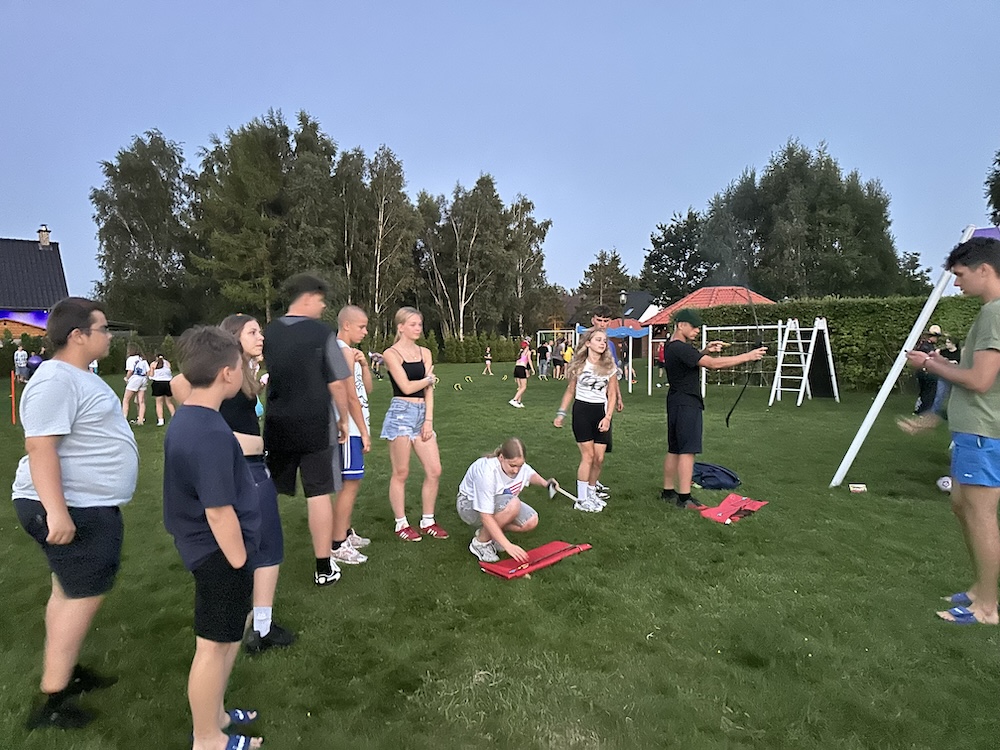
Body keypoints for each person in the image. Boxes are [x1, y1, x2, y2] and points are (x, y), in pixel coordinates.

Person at [12, 297, 136, 730]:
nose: (108, 336)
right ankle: (54, 699)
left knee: (67, 590)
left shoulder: (76, 376)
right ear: (78, 335)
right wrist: (57, 512)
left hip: (84, 504)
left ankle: (64, 671)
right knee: (82, 594)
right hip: (71, 507)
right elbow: (39, 447)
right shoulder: (55, 380)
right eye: (103, 329)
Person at [163, 326, 263, 750]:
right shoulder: (209, 433)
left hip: (212, 549)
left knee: (226, 639)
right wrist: (239, 561)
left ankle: (216, 715)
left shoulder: (193, 416)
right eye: (240, 366)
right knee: (213, 647)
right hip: (218, 554)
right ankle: (207, 739)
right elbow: (218, 511)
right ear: (227, 373)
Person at [172, 315, 296, 654]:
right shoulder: (219, 372)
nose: (260, 337)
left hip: (247, 465)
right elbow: (179, 383)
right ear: (232, 338)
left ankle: (252, 620)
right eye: (252, 332)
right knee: (267, 546)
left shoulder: (241, 373)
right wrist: (234, 440)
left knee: (259, 542)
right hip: (246, 468)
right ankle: (261, 627)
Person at [904, 236, 1000, 626]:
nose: (957, 283)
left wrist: (930, 364)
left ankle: (987, 608)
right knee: (962, 505)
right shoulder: (990, 312)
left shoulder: (995, 313)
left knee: (981, 515)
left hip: (982, 431)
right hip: (972, 430)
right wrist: (941, 365)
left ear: (984, 270)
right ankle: (980, 589)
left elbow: (979, 380)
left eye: (960, 275)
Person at [263, 273, 354, 587]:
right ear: (307, 298)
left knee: (269, 490)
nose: (324, 306)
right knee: (318, 493)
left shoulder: (269, 332)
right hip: (315, 424)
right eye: (321, 299)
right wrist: (343, 419)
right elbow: (337, 382)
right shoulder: (322, 333)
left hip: (277, 424)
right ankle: (323, 567)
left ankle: (258, 556)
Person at [661, 308, 767, 509]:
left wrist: (704, 351)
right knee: (687, 451)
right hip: (687, 403)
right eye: (694, 327)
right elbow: (713, 365)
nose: (697, 331)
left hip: (676, 401)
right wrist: (749, 356)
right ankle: (684, 498)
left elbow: (691, 361)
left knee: (674, 448)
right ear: (681, 325)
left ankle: (668, 492)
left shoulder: (672, 345)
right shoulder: (681, 348)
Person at [380, 307, 448, 541]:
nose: (418, 328)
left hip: (421, 414)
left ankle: (428, 521)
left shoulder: (425, 352)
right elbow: (406, 387)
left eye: (420, 324)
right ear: (400, 327)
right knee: (401, 472)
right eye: (413, 324)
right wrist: (429, 379)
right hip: (400, 413)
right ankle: (401, 524)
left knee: (434, 470)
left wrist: (428, 420)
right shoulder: (391, 354)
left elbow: (429, 390)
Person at [457, 437, 555, 563]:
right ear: (501, 457)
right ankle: (480, 543)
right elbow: (485, 516)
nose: (516, 470)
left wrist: (546, 484)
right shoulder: (487, 472)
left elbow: (530, 474)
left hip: (497, 504)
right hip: (468, 506)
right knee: (513, 504)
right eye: (512, 465)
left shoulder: (519, 466)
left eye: (519, 466)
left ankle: (489, 534)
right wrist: (508, 545)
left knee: (531, 521)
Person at [553, 329, 618, 512]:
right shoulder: (579, 365)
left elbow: (612, 394)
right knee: (587, 456)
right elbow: (570, 391)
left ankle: (591, 493)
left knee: (599, 458)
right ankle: (581, 500)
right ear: (588, 343)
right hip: (582, 411)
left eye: (604, 340)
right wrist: (561, 413)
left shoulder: (610, 367)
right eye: (598, 340)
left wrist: (607, 417)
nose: (602, 343)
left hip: (601, 413)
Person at [331, 306, 374, 565]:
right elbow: (349, 397)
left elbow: (365, 390)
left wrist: (364, 365)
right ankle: (337, 543)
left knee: (352, 483)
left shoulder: (350, 353)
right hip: (349, 429)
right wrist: (363, 432)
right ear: (346, 325)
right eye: (361, 326)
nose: (365, 331)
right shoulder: (341, 351)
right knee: (349, 484)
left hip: (355, 426)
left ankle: (345, 532)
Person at [913, 325, 941, 415]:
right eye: (936, 337)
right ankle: (923, 411)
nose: (937, 339)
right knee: (929, 392)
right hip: (926, 372)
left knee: (924, 392)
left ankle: (919, 409)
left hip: (922, 371)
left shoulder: (924, 344)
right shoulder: (926, 347)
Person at [122, 344, 149, 425]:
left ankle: (124, 418)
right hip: (143, 379)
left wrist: (126, 378)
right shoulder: (143, 359)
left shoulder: (130, 359)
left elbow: (130, 371)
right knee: (141, 401)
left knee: (126, 399)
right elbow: (147, 371)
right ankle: (140, 420)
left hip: (135, 379)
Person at [149, 353, 177, 426]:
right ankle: (174, 417)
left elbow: (151, 375)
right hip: (167, 383)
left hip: (158, 383)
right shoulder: (167, 363)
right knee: (169, 402)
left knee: (159, 403)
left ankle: (160, 420)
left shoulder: (153, 364)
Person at [509, 341, 534, 408]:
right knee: (524, 387)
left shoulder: (521, 352)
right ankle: (514, 400)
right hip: (521, 368)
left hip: (517, 368)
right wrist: (532, 369)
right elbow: (529, 361)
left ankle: (519, 402)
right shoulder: (528, 352)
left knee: (520, 387)